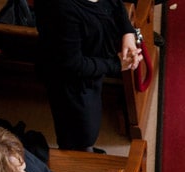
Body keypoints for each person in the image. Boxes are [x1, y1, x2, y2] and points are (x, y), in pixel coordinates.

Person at [35, 0, 142, 151]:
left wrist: (128, 34)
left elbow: (116, 4)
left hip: (94, 61)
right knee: (82, 132)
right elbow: (72, 64)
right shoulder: (60, 9)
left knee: (86, 129)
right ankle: (80, 157)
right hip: (72, 81)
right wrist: (116, 65)